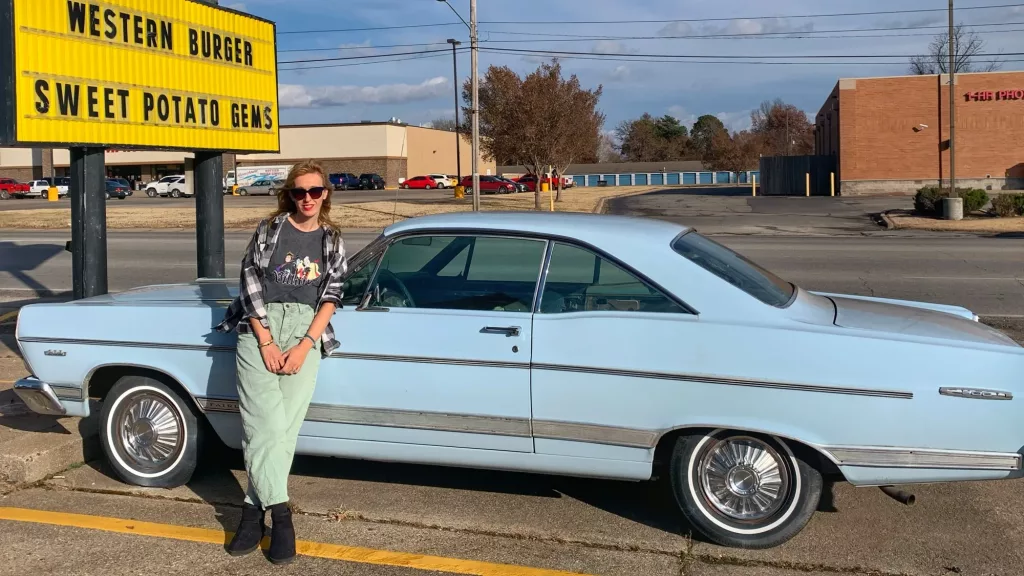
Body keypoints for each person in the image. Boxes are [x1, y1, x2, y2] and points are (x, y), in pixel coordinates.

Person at [215, 159, 348, 564]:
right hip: (261, 327)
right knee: (263, 425)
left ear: (325, 194)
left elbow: (333, 295)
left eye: (315, 191)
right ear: (288, 194)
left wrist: (305, 345)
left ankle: (252, 512)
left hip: (306, 332)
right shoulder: (270, 230)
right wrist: (266, 341)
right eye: (299, 191)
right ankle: (283, 515)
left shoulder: (332, 239)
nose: (307, 199)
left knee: (284, 431)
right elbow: (249, 279)